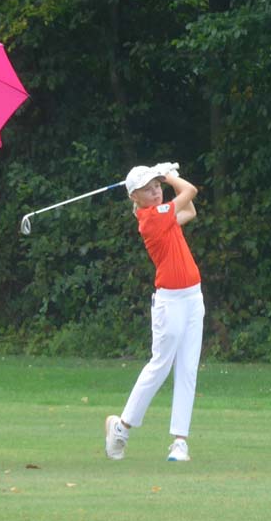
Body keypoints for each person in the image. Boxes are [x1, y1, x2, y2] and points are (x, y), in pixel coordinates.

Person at [105, 162, 205, 462]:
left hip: (192, 298)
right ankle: (121, 428)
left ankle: (179, 442)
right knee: (160, 366)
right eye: (149, 189)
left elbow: (190, 211)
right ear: (135, 197)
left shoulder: (164, 215)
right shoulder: (151, 218)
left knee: (187, 369)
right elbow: (190, 191)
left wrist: (164, 178)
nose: (156, 190)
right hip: (170, 303)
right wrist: (170, 176)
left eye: (157, 186)